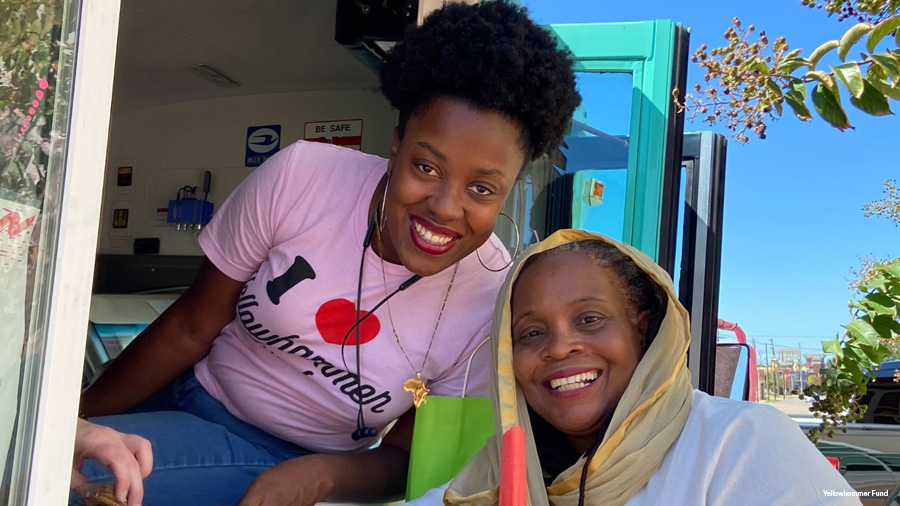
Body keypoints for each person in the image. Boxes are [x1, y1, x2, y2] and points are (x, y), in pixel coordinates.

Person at [74, 2, 581, 506]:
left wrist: (317, 477)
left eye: (482, 189)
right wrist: (72, 422)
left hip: (280, 457)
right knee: (53, 461)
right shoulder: (302, 177)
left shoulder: (490, 301)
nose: (445, 208)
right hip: (184, 390)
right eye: (426, 168)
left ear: (509, 192)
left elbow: (406, 458)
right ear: (397, 145)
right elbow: (190, 326)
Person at [434, 229, 861, 506]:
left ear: (641, 331)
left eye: (589, 319)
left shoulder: (738, 443)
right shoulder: (501, 467)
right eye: (531, 332)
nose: (560, 348)